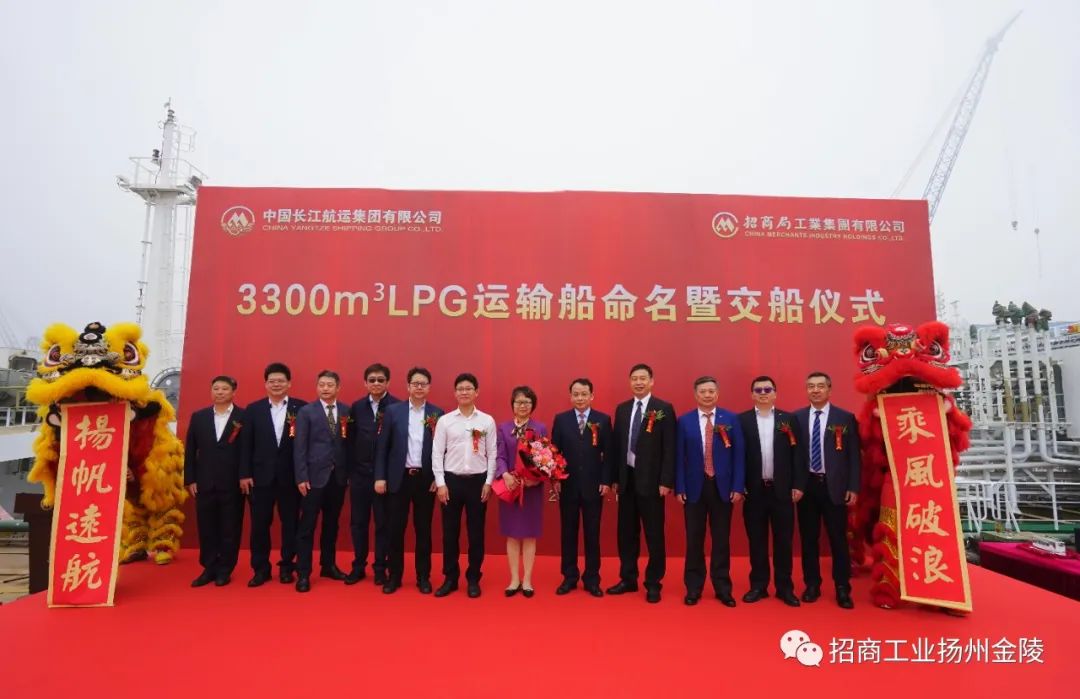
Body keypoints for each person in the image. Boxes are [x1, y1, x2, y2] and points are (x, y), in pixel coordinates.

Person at [674, 376, 745, 606]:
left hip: (722, 488)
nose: (707, 395)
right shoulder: (684, 421)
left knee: (721, 540)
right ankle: (693, 587)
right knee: (694, 540)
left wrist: (737, 486)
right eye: (702, 391)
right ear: (695, 394)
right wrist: (680, 486)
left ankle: (722, 587)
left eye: (711, 391)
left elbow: (739, 456)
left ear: (717, 393)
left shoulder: (731, 419)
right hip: (694, 488)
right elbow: (679, 457)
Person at [609, 363, 676, 603]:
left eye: (643, 378)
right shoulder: (622, 409)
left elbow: (670, 448)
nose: (638, 382)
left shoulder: (663, 408)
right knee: (626, 534)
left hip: (653, 482)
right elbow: (617, 447)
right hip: (626, 481)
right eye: (634, 378)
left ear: (651, 381)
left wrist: (666, 480)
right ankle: (628, 578)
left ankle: (653, 582)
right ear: (630, 382)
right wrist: (615, 479)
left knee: (654, 535)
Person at [738, 375, 805, 607]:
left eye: (767, 390)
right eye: (758, 390)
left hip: (782, 491)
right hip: (754, 491)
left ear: (775, 393)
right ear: (752, 395)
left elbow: (798, 455)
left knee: (783, 542)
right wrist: (739, 484)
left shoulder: (789, 419)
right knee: (757, 542)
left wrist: (798, 484)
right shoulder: (742, 420)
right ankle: (758, 586)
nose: (763, 393)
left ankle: (785, 588)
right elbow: (737, 456)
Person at [374, 367, 443, 594]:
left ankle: (423, 577)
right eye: (415, 383)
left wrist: (438, 478)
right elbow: (382, 447)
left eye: (423, 384)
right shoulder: (393, 412)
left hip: (425, 480)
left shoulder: (437, 413)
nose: (419, 387)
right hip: (398, 478)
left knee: (423, 530)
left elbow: (442, 449)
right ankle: (394, 576)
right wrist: (380, 477)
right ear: (408, 386)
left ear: (429, 387)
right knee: (395, 530)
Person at [795, 371, 860, 610]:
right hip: (807, 487)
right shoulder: (797, 418)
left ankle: (842, 587)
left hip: (835, 487)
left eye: (820, 386)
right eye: (811, 386)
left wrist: (853, 486)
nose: (815, 390)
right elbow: (792, 456)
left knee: (837, 539)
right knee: (808, 539)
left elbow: (854, 457)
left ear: (829, 390)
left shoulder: (845, 418)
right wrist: (795, 485)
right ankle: (812, 585)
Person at [239, 362, 307, 586]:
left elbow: (306, 445)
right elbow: (246, 445)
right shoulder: (253, 410)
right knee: (259, 526)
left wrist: (303, 475)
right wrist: (244, 474)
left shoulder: (301, 408)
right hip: (260, 478)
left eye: (281, 381)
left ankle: (287, 567)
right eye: (272, 381)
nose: (276, 384)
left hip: (291, 478)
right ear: (265, 384)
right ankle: (261, 569)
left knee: (291, 525)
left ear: (289, 383)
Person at [432, 372, 497, 598]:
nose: (464, 392)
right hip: (451, 482)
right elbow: (437, 453)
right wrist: (440, 483)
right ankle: (450, 578)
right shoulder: (445, 420)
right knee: (450, 533)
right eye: (460, 389)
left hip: (478, 482)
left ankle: (473, 578)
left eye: (469, 388)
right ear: (455, 393)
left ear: (476, 392)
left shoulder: (487, 420)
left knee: (476, 534)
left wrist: (488, 482)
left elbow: (492, 453)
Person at [550, 378, 612, 597]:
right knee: (568, 533)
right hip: (568, 485)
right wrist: (555, 479)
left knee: (592, 534)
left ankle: (592, 579)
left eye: (584, 394)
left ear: (592, 396)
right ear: (570, 396)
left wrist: (606, 480)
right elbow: (554, 452)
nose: (580, 398)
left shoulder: (603, 420)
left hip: (594, 486)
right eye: (576, 394)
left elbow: (609, 454)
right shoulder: (561, 419)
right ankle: (569, 577)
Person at [184, 375, 246, 588]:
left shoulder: (243, 417)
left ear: (233, 392)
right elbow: (190, 450)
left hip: (233, 483)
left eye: (224, 389)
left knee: (230, 527)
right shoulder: (199, 417)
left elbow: (247, 451)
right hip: (204, 482)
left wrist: (244, 476)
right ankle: (209, 567)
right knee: (207, 527)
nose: (220, 392)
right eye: (216, 388)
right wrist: (191, 479)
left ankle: (225, 569)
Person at [293, 370, 350, 592]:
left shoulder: (345, 411)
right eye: (322, 385)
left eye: (330, 385)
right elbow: (299, 446)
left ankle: (328, 565)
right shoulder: (306, 412)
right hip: (312, 478)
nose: (325, 388)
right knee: (307, 526)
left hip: (338, 478)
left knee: (331, 524)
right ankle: (303, 573)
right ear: (317, 387)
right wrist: (301, 476)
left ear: (338, 388)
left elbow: (348, 443)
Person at [345, 363, 398, 585]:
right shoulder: (356, 407)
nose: (376, 383)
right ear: (365, 383)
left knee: (383, 524)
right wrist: (350, 472)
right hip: (359, 475)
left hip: (384, 477)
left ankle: (380, 568)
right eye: (372, 380)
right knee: (358, 523)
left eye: (380, 380)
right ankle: (358, 566)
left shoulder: (397, 407)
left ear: (388, 382)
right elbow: (349, 441)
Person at [493, 385, 546, 598]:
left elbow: (545, 458)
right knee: (513, 535)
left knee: (530, 535)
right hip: (510, 487)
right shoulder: (503, 428)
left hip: (531, 489)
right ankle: (514, 579)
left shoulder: (540, 428)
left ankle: (528, 580)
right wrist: (505, 475)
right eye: (518, 402)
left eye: (527, 402)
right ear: (512, 405)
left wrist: (535, 478)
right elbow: (499, 455)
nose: (522, 405)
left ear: (532, 405)